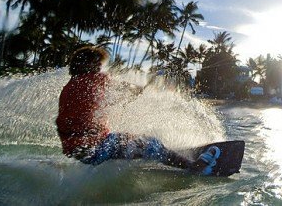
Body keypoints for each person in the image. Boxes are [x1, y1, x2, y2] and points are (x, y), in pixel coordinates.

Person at [56, 46, 218, 173]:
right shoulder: (94, 80)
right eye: (98, 64)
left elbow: (92, 106)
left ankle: (157, 156)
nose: (100, 68)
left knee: (125, 139)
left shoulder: (68, 89)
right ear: (88, 65)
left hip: (80, 152)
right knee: (150, 143)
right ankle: (194, 167)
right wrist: (136, 90)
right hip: (96, 149)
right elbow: (121, 88)